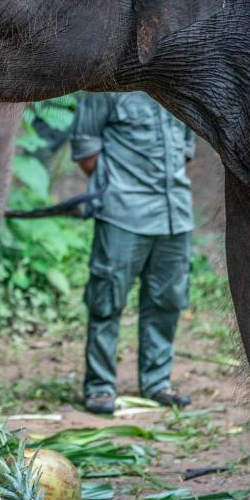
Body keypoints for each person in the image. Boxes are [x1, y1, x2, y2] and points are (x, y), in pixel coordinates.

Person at [71, 91, 195, 415]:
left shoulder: (179, 82)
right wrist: (117, 191)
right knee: (106, 301)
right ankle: (99, 387)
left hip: (175, 214)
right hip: (122, 215)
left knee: (167, 301)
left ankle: (157, 383)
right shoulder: (107, 85)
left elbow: (186, 148)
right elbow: (86, 148)